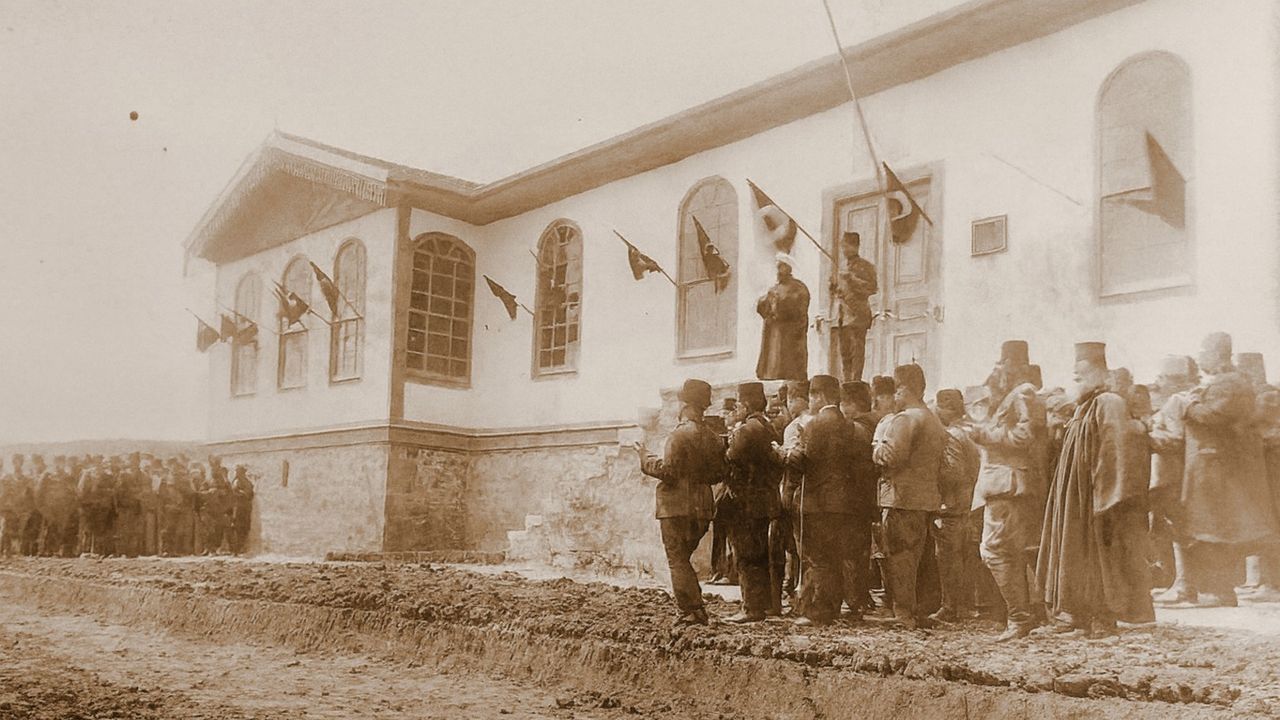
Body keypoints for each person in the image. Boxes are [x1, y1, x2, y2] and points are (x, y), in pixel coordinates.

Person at [1037, 342, 1154, 638]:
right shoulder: (1085, 405)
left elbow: (1119, 450)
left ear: (1101, 372)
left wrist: (1108, 496)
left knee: (1099, 559)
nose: (1076, 378)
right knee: (1076, 554)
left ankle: (1102, 620)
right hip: (1077, 496)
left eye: (1082, 374)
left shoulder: (1109, 403)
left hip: (1097, 497)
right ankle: (1078, 617)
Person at [1177, 333, 1280, 606]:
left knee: (1216, 531)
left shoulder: (1230, 383)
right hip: (1216, 469)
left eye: (1203, 351)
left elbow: (1214, 416)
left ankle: (1219, 592)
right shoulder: (1226, 382)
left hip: (1219, 471)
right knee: (1214, 531)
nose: (1199, 357)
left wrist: (1188, 406)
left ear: (1218, 353)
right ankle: (1218, 590)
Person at [970, 343, 1050, 640]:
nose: (998, 369)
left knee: (995, 551)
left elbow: (1024, 436)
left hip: (1009, 485)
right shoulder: (1013, 395)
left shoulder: (1023, 393)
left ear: (1015, 365)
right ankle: (1033, 615)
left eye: (1003, 363)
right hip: (1008, 486)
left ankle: (1019, 618)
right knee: (1016, 551)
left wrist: (983, 434)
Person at [635, 379, 726, 625]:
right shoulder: (713, 437)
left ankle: (691, 610)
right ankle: (696, 608)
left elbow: (669, 472)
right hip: (703, 508)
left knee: (677, 560)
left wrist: (645, 457)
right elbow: (719, 473)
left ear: (685, 404)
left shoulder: (679, 435)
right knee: (682, 559)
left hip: (676, 508)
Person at [783, 374, 872, 626]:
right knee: (835, 557)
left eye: (811, 395)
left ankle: (818, 612)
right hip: (845, 503)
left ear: (819, 396)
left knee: (818, 558)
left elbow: (804, 463)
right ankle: (832, 608)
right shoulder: (854, 427)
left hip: (818, 502)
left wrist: (785, 455)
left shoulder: (815, 425)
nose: (810, 401)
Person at [872, 363, 946, 629]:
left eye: (896, 390)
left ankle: (903, 613)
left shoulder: (905, 419)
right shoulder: (933, 419)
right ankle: (917, 610)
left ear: (903, 389)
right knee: (919, 557)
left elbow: (890, 456)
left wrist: (876, 446)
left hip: (900, 497)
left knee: (899, 556)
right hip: (925, 498)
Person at [723, 382, 782, 622]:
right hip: (764, 498)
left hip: (746, 500)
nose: (736, 408)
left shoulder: (747, 430)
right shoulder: (767, 426)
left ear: (746, 404)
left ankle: (751, 607)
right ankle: (765, 604)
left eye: (738, 404)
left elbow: (729, 458)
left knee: (746, 555)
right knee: (760, 553)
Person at [1148, 355, 1199, 603]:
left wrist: (1145, 436)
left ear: (1175, 379)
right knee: (1175, 529)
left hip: (1171, 474)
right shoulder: (1186, 399)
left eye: (1163, 377)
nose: (1159, 382)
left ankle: (1184, 586)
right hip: (1177, 473)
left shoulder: (1176, 401)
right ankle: (1180, 582)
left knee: (1178, 529)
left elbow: (1176, 439)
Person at [931, 388, 982, 624]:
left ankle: (950, 607)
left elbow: (953, 472)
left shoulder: (952, 435)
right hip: (974, 501)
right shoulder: (972, 429)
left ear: (945, 409)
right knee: (968, 555)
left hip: (953, 504)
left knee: (948, 556)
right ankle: (968, 605)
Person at [771, 379, 809, 606]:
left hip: (793, 490)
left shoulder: (795, 426)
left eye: (790, 400)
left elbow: (793, 460)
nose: (789, 405)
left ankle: (795, 587)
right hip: (810, 491)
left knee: (792, 542)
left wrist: (778, 452)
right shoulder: (815, 421)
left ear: (799, 400)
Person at [831, 231, 878, 382]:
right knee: (845, 353)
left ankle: (856, 382)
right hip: (842, 316)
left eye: (846, 246)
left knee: (856, 352)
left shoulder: (866, 266)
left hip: (858, 315)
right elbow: (839, 291)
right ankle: (847, 382)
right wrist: (834, 287)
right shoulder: (842, 267)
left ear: (855, 246)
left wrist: (851, 279)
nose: (844, 250)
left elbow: (872, 288)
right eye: (842, 246)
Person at [756, 253, 810, 381]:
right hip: (775, 330)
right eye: (777, 267)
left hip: (790, 331)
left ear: (788, 268)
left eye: (781, 267)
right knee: (774, 358)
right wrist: (765, 303)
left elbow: (800, 308)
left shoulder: (798, 287)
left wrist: (781, 305)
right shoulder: (774, 289)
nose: (778, 271)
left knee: (790, 363)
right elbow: (764, 307)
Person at [35, 455, 78, 557]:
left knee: (62, 529)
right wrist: (42, 508)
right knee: (49, 528)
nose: (59, 465)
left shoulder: (69, 477)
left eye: (62, 462)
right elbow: (38, 493)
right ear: (54, 463)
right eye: (57, 462)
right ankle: (46, 550)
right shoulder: (47, 476)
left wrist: (71, 508)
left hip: (64, 508)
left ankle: (60, 551)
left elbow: (74, 493)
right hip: (49, 508)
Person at [230, 465, 255, 555]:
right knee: (235, 527)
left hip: (244, 508)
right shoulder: (235, 481)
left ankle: (240, 548)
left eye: (238, 472)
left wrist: (240, 492)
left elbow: (249, 494)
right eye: (236, 471)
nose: (237, 473)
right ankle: (236, 549)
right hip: (237, 507)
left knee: (243, 528)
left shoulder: (247, 482)